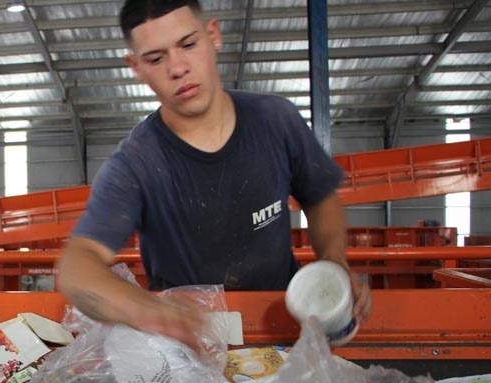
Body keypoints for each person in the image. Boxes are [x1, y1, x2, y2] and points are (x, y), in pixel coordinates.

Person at [56, 0, 372, 352]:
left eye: (188, 44)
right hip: (191, 344)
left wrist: (333, 261)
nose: (177, 68)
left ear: (213, 35)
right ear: (136, 68)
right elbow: (77, 265)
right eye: (156, 58)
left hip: (283, 324)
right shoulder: (135, 164)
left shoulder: (276, 120)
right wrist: (145, 308)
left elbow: (320, 195)